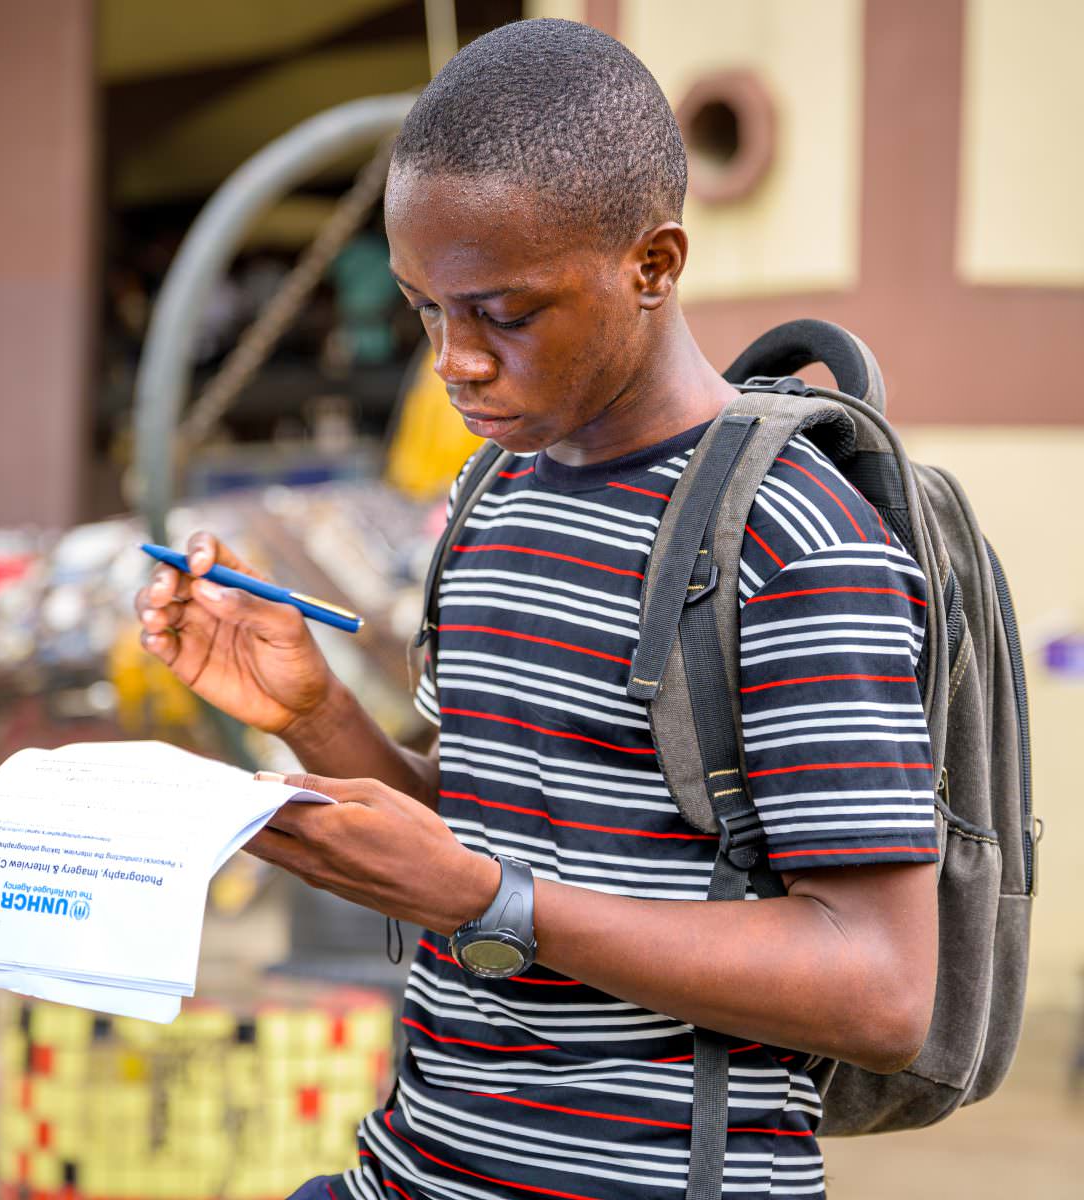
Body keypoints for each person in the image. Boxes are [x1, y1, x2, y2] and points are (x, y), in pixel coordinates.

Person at [136, 19, 939, 1200]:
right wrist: (312, 718)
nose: (456, 360)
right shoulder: (492, 494)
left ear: (653, 265)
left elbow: (879, 989)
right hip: (413, 1170)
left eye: (504, 313)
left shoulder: (791, 535)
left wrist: (492, 901)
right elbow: (485, 838)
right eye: (424, 310)